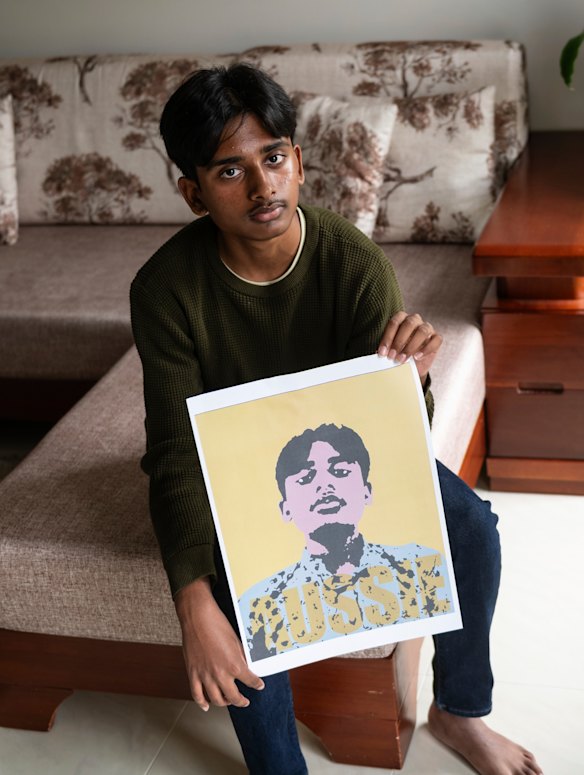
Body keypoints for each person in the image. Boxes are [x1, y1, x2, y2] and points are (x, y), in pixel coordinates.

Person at [130, 63, 542, 775]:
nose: (263, 188)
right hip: (234, 473)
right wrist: (191, 599)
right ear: (193, 193)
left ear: (297, 160)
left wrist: (410, 383)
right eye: (230, 171)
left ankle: (461, 709)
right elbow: (173, 453)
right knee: (238, 590)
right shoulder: (165, 289)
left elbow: (392, 439)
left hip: (339, 459)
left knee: (473, 526)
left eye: (274, 157)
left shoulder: (353, 262)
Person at [239, 422, 454, 661]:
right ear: (285, 508)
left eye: (340, 472)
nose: (324, 485)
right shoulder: (259, 603)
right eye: (305, 478)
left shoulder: (421, 563)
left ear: (366, 492)